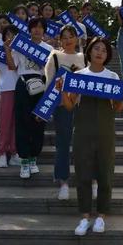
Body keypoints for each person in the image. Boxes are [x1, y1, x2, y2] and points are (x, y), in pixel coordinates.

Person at [58, 37, 123, 236]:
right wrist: (63, 90)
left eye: (104, 50)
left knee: (105, 173)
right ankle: (84, 217)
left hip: (105, 130)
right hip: (82, 129)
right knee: (82, 173)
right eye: (96, 49)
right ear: (89, 52)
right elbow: (69, 105)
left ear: (107, 56)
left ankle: (101, 216)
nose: (100, 52)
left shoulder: (112, 76)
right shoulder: (79, 75)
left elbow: (117, 108)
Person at [4, 16, 53, 179]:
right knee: (22, 122)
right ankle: (24, 161)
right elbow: (12, 66)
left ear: (44, 30)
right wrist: (7, 50)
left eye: (40, 27)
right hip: (23, 84)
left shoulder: (49, 49)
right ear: (29, 29)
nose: (37, 30)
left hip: (41, 86)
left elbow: (52, 71)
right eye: (34, 27)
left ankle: (33, 159)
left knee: (38, 122)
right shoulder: (21, 45)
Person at [44, 26, 87, 200]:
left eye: (71, 37)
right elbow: (49, 85)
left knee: (84, 145)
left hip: (82, 107)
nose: (68, 40)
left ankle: (89, 181)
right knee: (63, 144)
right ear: (60, 40)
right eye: (65, 37)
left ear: (77, 38)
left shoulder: (83, 57)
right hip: (62, 107)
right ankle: (63, 182)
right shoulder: (54, 56)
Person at [0, 23, 21, 168]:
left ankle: (14, 153)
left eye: (13, 34)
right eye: (7, 34)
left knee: (16, 124)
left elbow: (17, 67)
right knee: (4, 123)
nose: (10, 37)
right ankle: (2, 153)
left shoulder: (21, 51)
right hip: (5, 89)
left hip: (20, 90)